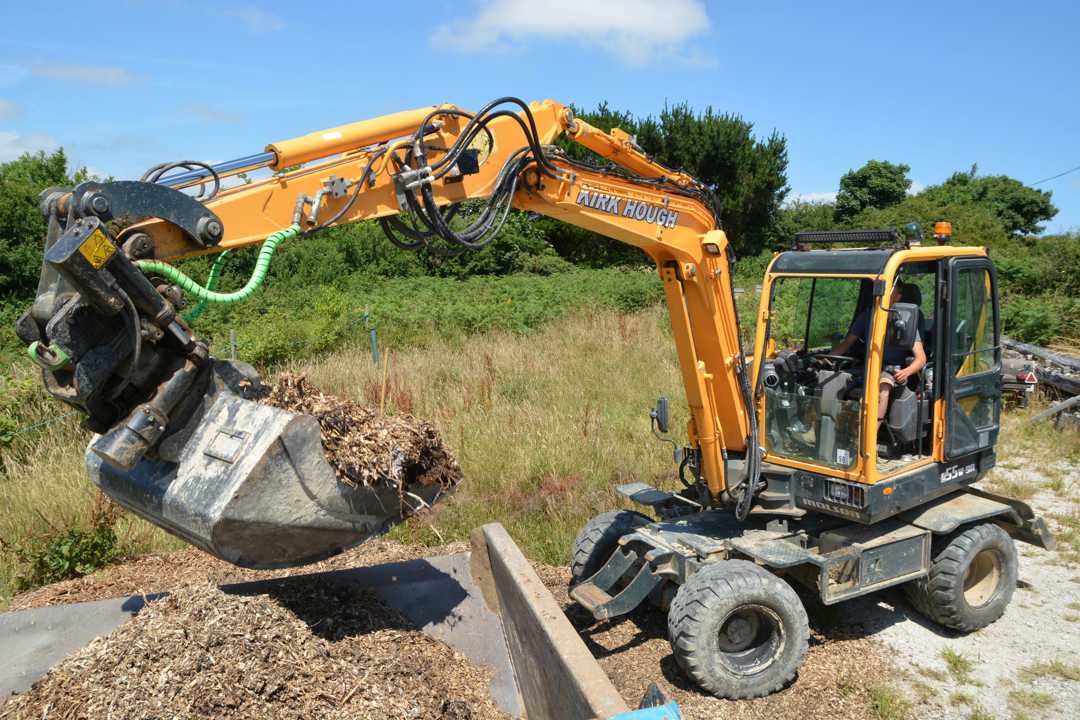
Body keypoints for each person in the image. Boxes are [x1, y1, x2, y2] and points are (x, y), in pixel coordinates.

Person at [829, 279, 927, 427]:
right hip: (867, 366)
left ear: (898, 296)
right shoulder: (868, 314)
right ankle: (831, 427)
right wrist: (827, 359)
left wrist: (906, 372)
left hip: (892, 369)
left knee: (883, 387)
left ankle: (870, 436)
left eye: (888, 289)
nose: (880, 293)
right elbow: (847, 343)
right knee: (832, 379)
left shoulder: (905, 320)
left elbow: (921, 358)